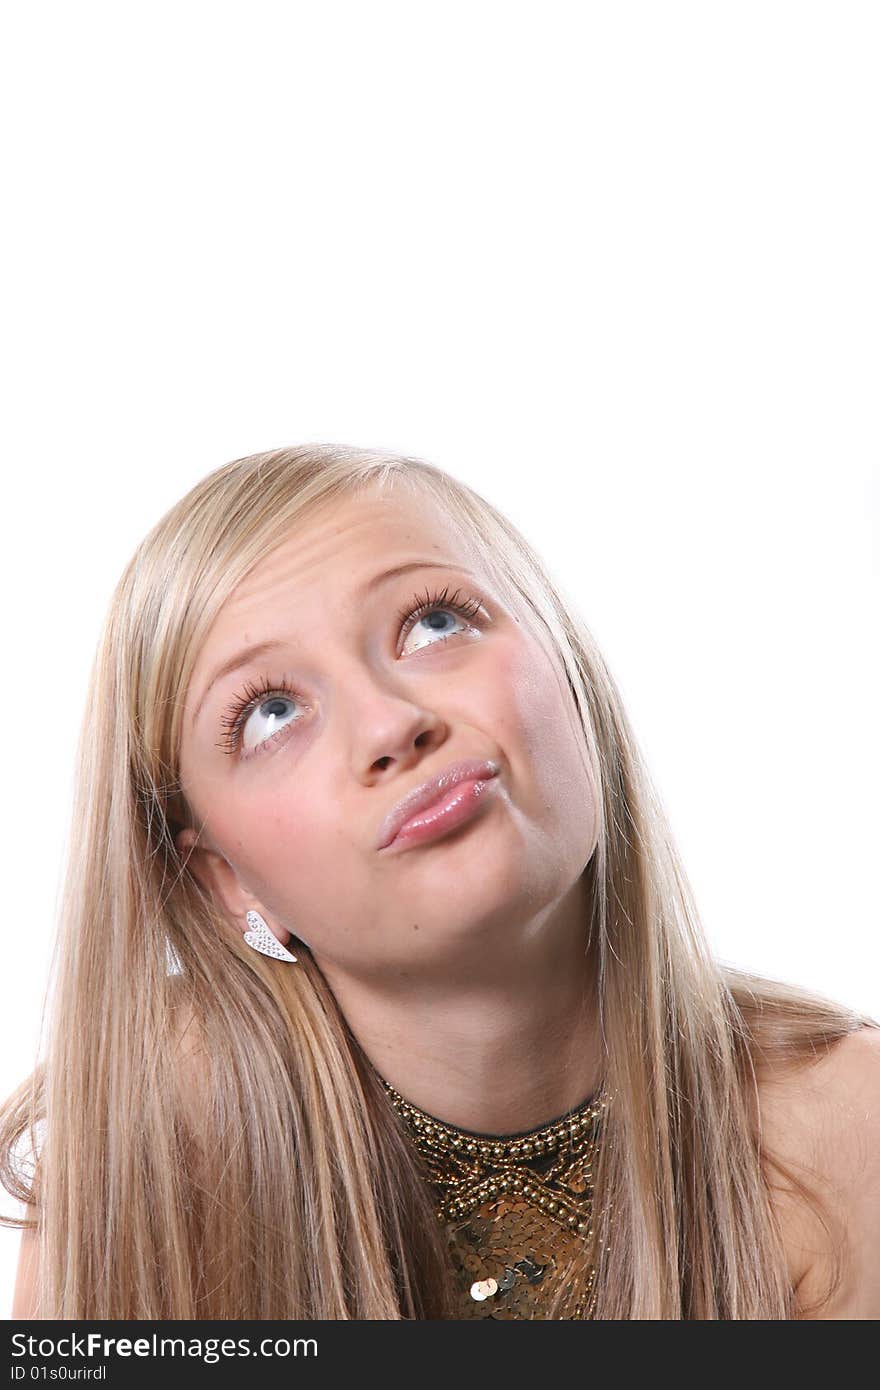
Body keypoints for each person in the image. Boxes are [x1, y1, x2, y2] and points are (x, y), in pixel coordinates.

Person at [2, 443, 879, 1320]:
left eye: (433, 625)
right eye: (272, 713)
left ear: (568, 667)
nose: (392, 722)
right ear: (228, 882)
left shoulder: (844, 1123)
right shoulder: (142, 1161)